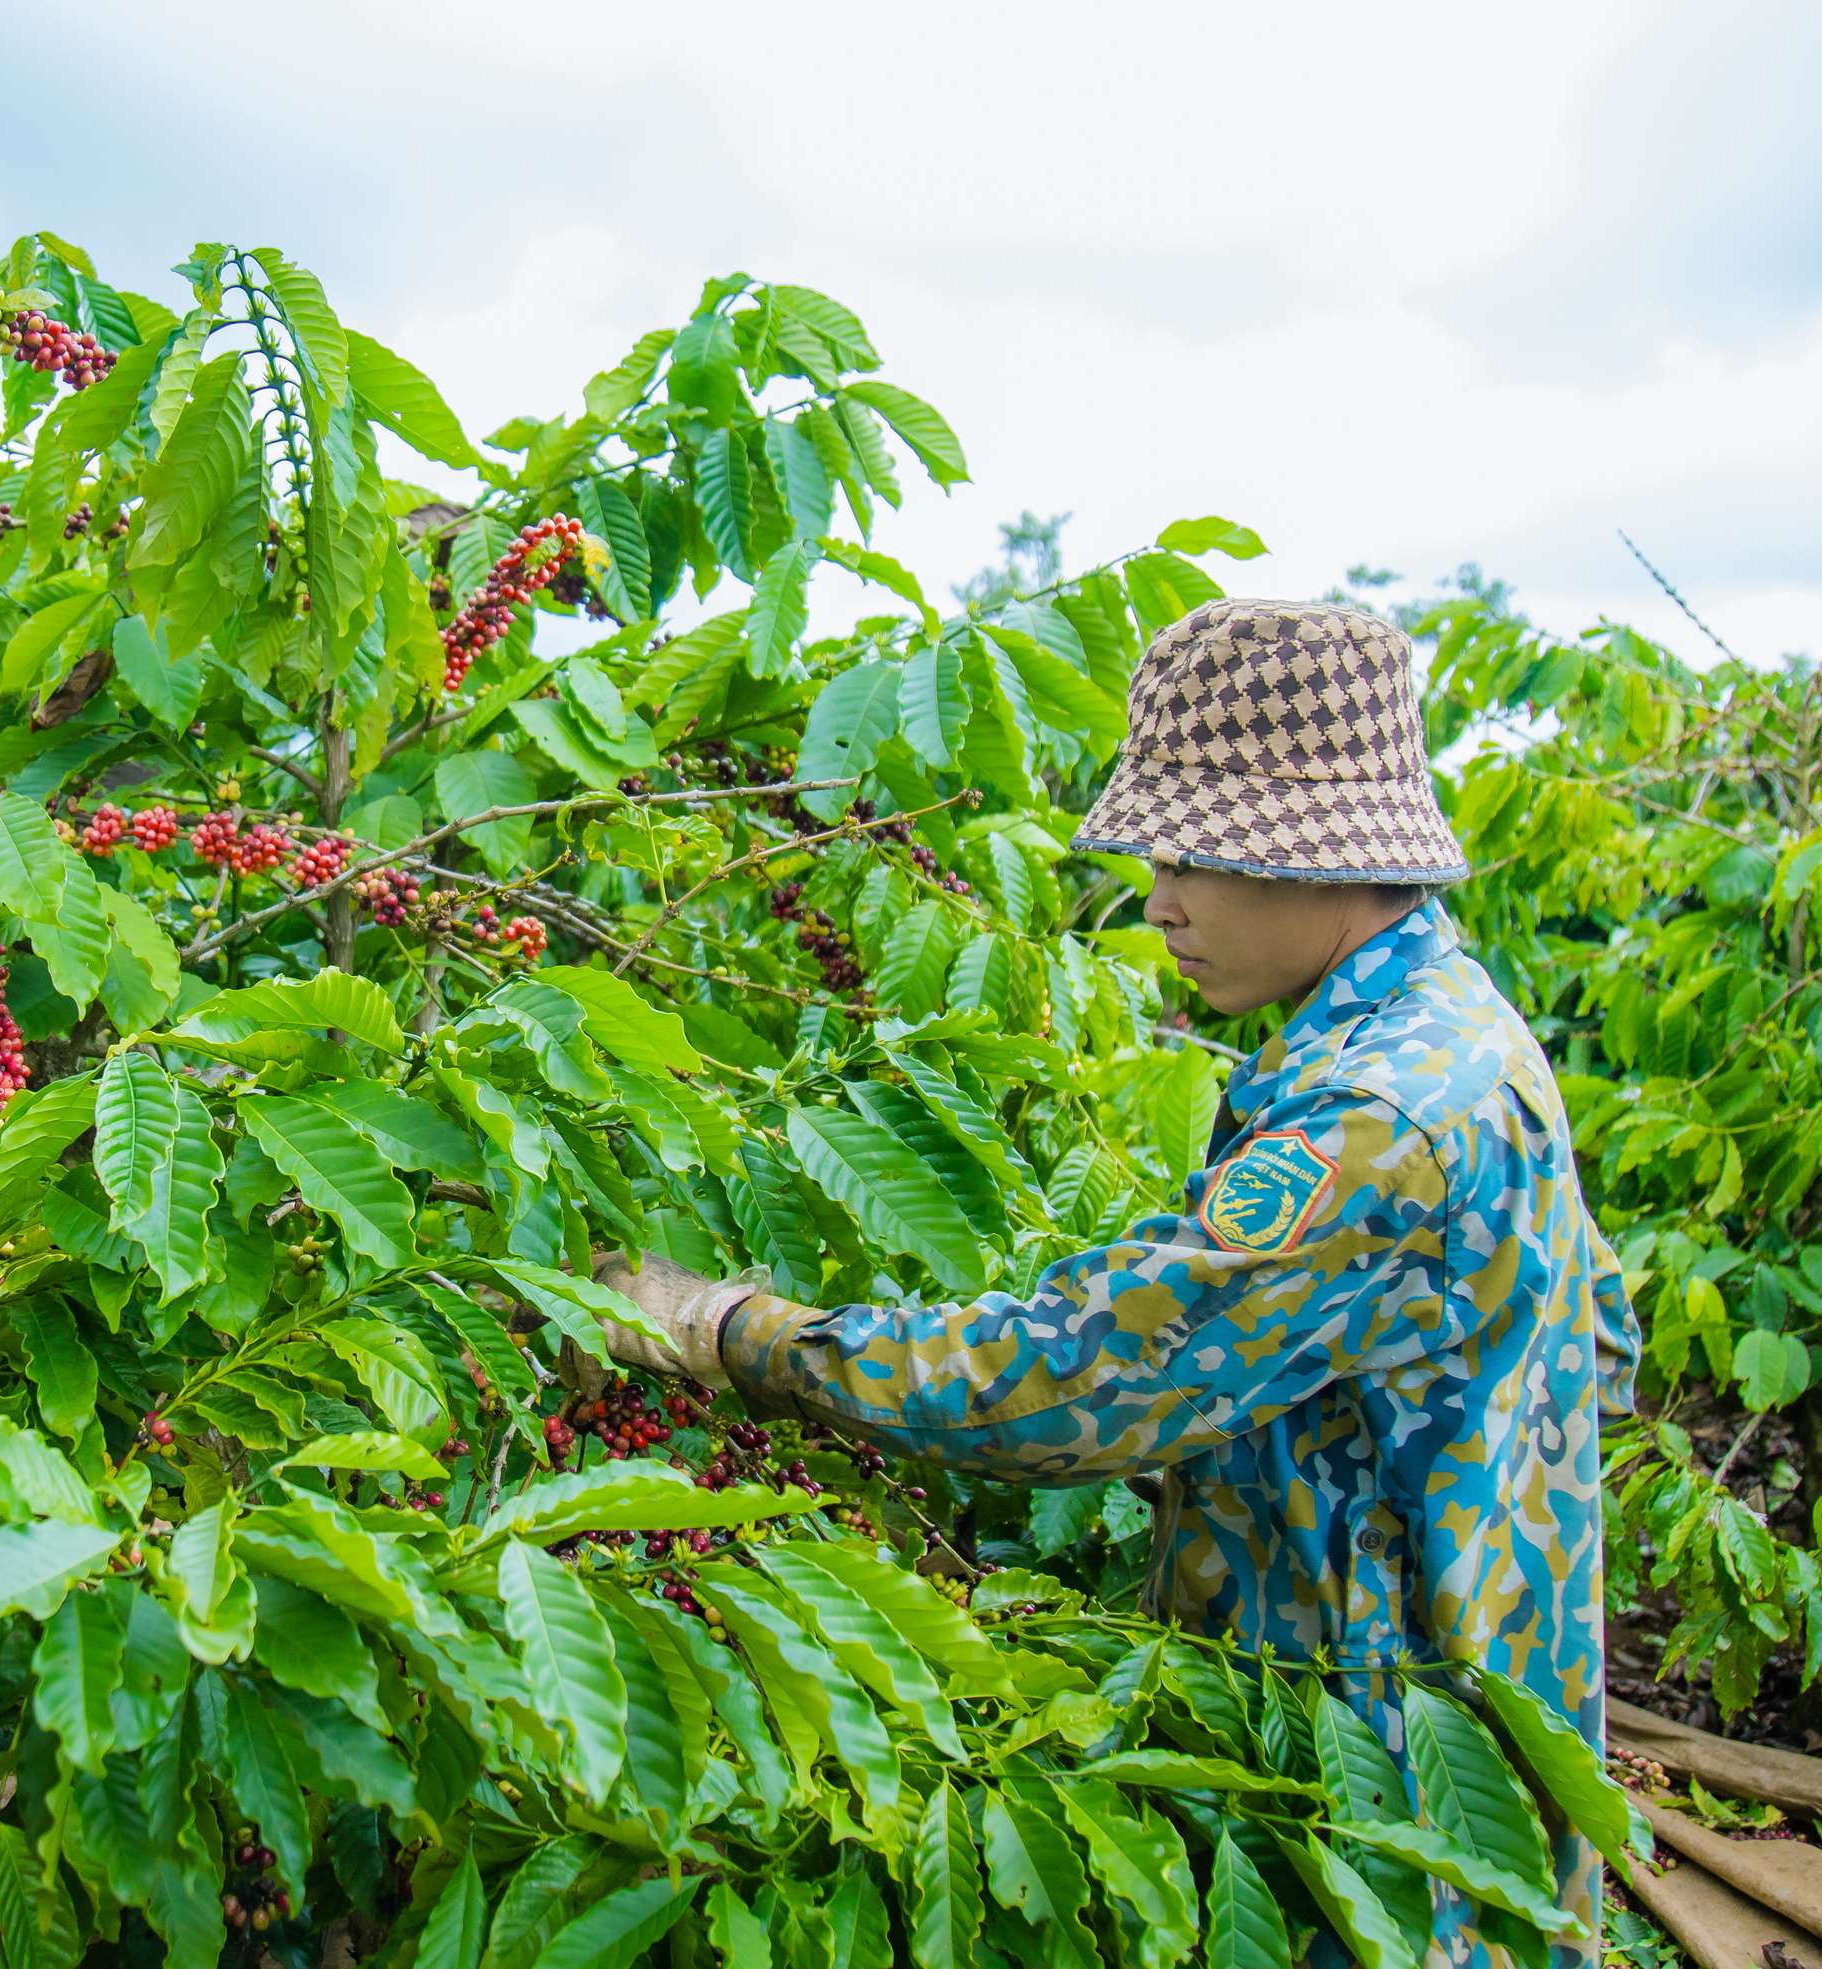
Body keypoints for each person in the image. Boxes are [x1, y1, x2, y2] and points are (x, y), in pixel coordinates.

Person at [589, 600, 1637, 1964]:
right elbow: (1596, 1339)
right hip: (1477, 1709)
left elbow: (1078, 1378)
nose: (1159, 904)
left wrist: (732, 1331)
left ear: (1316, 861)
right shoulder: (1458, 1026)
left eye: (1194, 857)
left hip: (1381, 1793)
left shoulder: (1375, 1117)